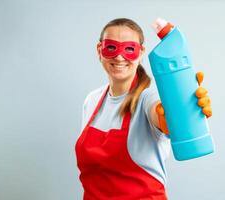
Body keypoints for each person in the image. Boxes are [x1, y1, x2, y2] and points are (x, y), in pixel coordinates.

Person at [75, 18, 212, 200]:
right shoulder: (91, 100)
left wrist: (182, 110)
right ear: (99, 50)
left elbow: (161, 117)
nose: (119, 56)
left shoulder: (148, 99)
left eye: (129, 49)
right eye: (111, 47)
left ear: (141, 53)